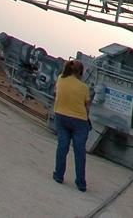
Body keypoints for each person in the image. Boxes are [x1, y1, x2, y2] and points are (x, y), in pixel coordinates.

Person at [52, 59, 91, 192]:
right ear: (80, 72)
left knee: (62, 146)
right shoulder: (84, 88)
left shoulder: (60, 79)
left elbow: (56, 93)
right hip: (79, 121)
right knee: (79, 152)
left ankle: (58, 175)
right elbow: (87, 106)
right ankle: (81, 183)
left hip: (60, 116)